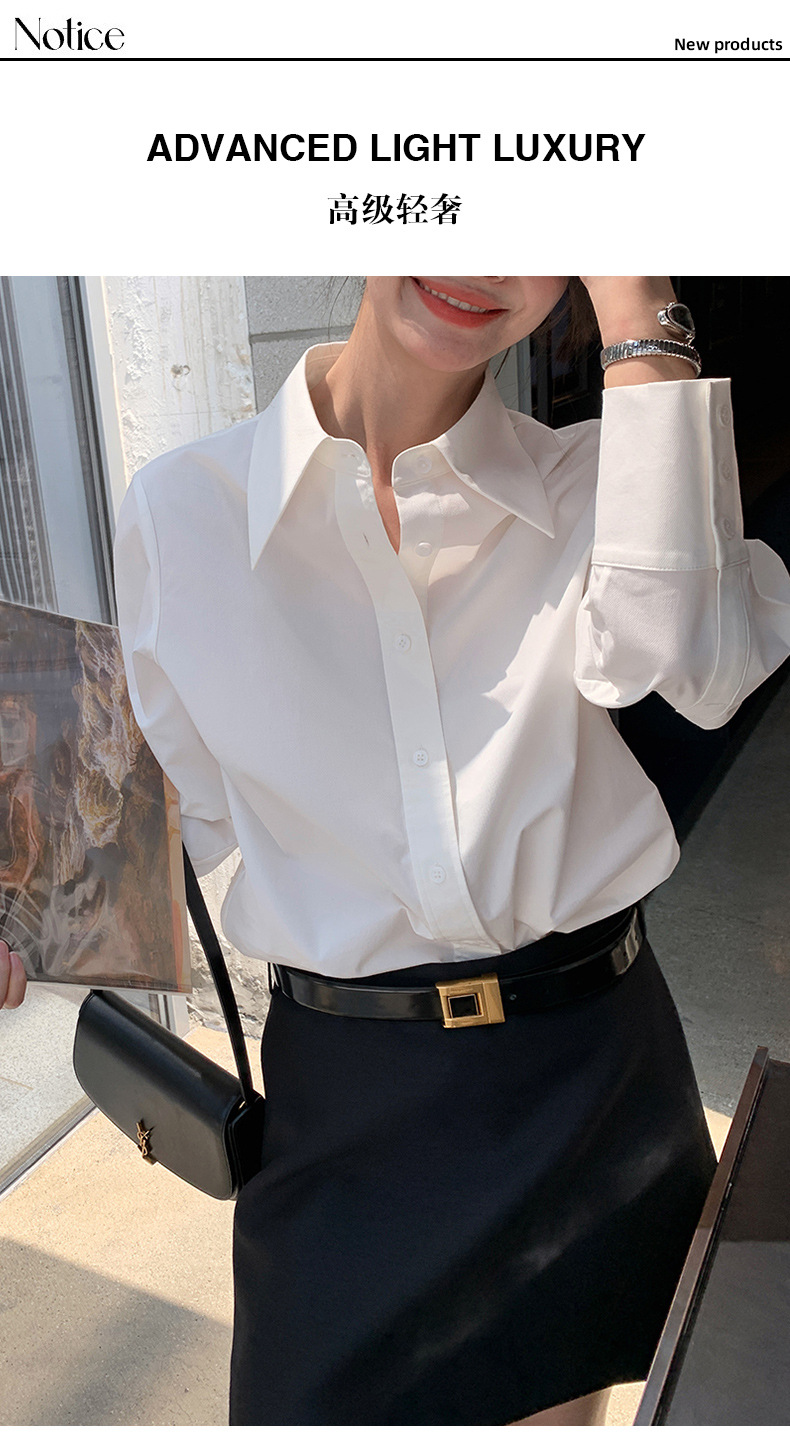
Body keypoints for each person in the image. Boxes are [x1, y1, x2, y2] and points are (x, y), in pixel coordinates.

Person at [4, 277, 790, 1425]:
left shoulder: (600, 484)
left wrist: (640, 304)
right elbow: (167, 813)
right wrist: (25, 900)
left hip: (588, 1078)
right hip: (348, 1100)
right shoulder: (182, 509)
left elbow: (700, 673)